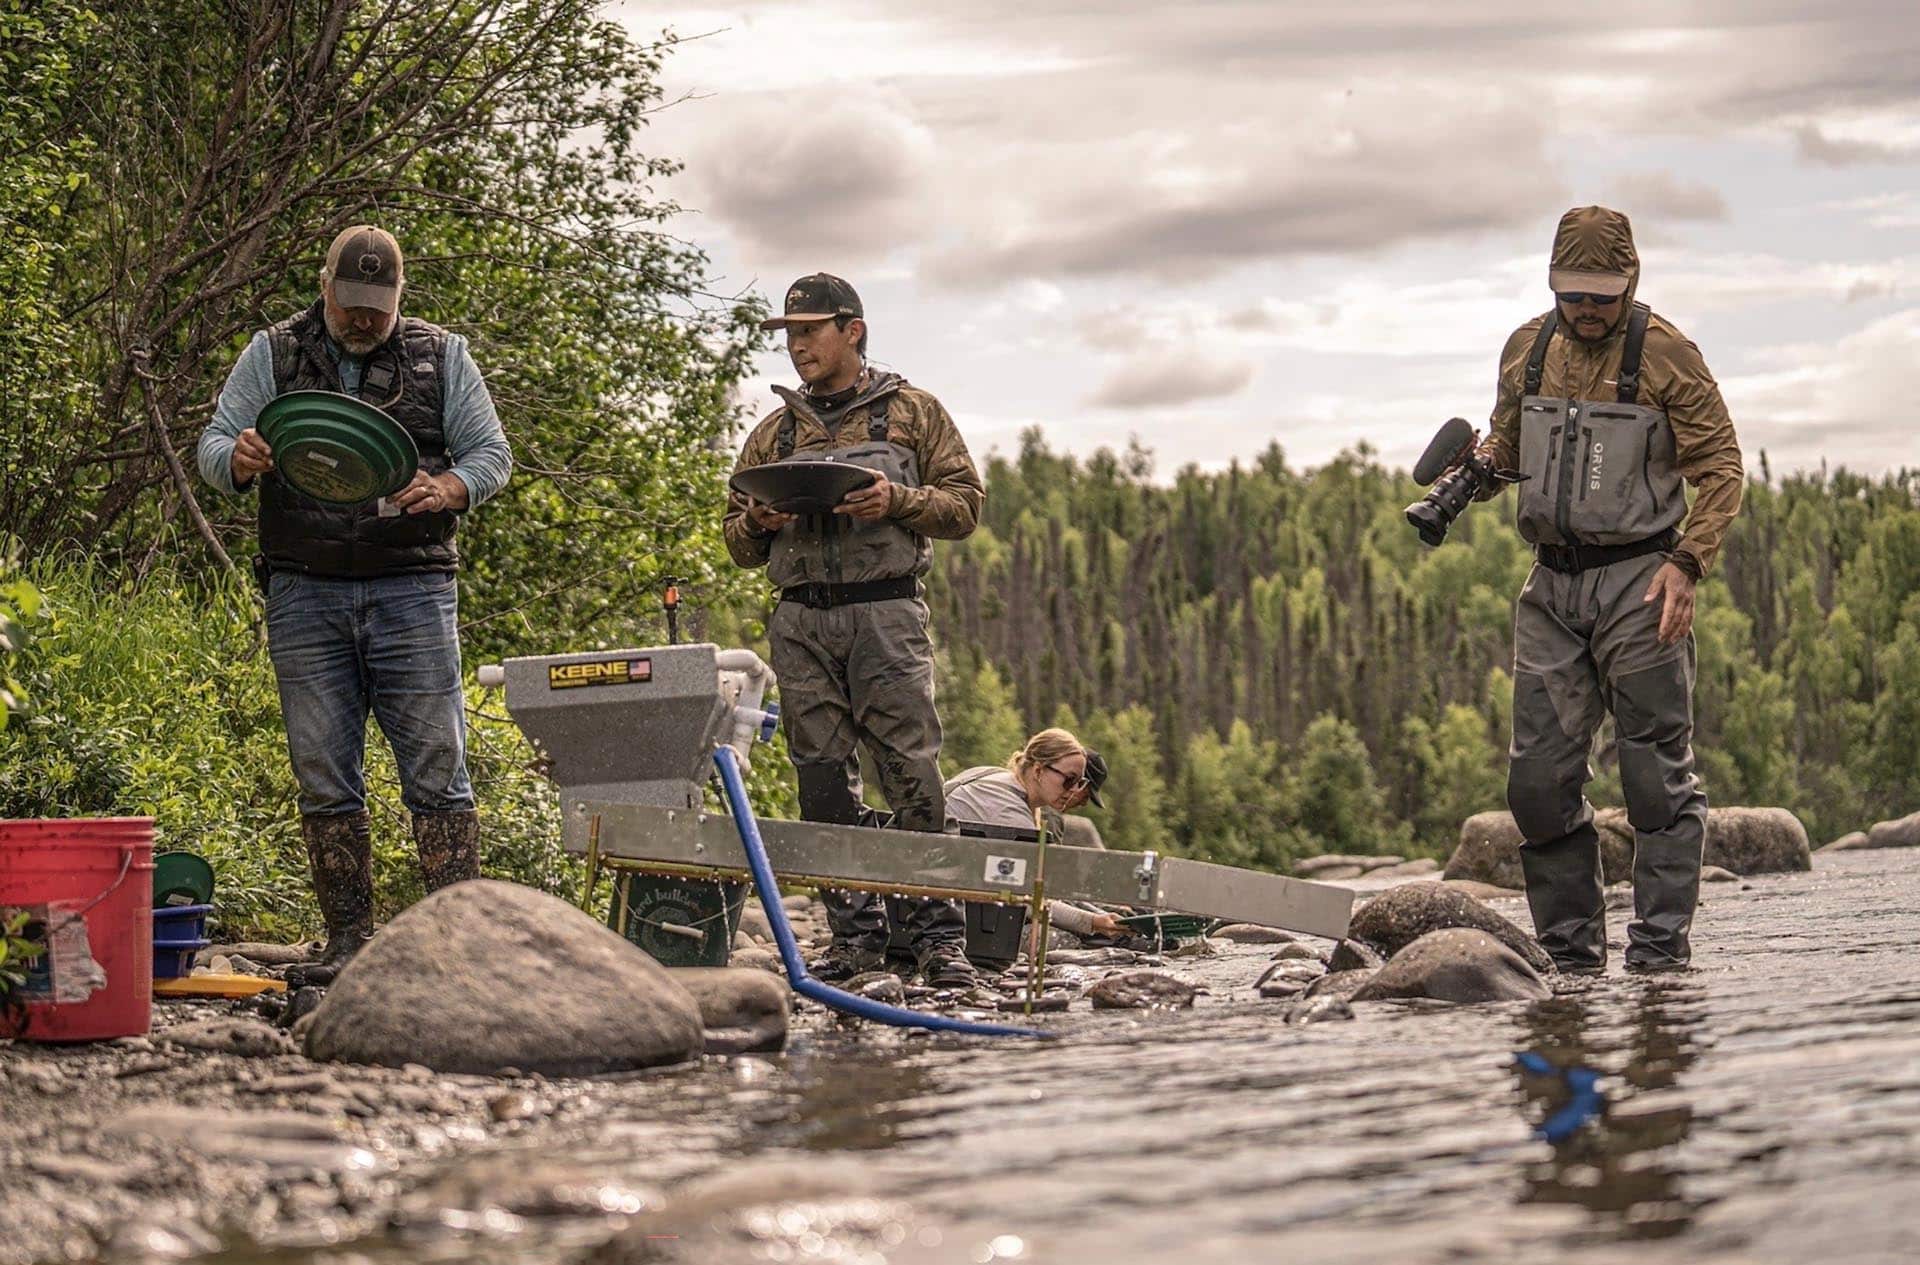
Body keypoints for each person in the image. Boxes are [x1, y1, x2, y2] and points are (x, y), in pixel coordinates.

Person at [197, 225, 513, 980]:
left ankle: (457, 943)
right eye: (351, 303)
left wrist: (448, 486)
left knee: (439, 766)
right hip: (304, 588)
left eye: (380, 304)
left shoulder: (444, 354)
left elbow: (491, 455)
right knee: (323, 771)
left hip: (414, 587)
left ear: (400, 295)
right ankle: (347, 941)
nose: (364, 318)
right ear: (325, 285)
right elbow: (213, 447)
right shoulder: (271, 352)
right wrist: (237, 460)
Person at [1474, 205, 1744, 973]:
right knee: (1537, 782)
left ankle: (1659, 959)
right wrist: (1479, 467)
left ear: (1630, 282)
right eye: (1573, 295)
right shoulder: (1526, 349)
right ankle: (1570, 962)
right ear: (1552, 284)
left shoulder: (1668, 354)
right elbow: (1509, 446)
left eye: (1602, 295)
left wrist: (1688, 563)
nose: (1587, 310)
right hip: (1550, 588)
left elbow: (1721, 467)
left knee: (1655, 775)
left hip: (1643, 582)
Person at [723, 274, 986, 987]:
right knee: (822, 785)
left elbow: (965, 507)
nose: (799, 345)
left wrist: (897, 500)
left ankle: (937, 939)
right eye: (789, 334)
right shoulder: (771, 434)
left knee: (912, 777)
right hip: (801, 619)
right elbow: (737, 544)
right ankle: (855, 940)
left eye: (810, 330)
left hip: (887, 613)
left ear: (854, 330)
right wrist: (759, 521)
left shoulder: (914, 411)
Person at [944, 729, 1128, 939]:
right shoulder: (1010, 814)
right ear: (1039, 771)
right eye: (1069, 780)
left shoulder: (995, 776)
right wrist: (1093, 922)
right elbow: (1028, 900)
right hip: (934, 912)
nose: (1074, 790)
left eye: (1080, 783)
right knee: (1068, 938)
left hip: (943, 897)